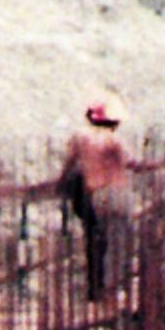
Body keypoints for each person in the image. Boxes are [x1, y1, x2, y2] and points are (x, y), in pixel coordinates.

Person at [59, 96, 130, 297]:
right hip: (117, 193)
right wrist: (162, 163)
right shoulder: (113, 140)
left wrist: (61, 182)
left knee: (97, 241)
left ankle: (97, 287)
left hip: (96, 195)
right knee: (117, 244)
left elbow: (69, 163)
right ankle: (112, 288)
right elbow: (131, 163)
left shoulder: (80, 138)